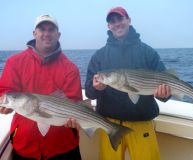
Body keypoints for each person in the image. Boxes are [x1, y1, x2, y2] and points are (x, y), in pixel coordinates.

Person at [85, 7, 171, 160]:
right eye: (112, 21)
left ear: (128, 20)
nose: (117, 24)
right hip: (108, 123)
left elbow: (165, 88)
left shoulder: (148, 52)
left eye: (120, 19)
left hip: (142, 123)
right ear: (108, 26)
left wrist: (164, 95)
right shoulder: (99, 56)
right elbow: (90, 92)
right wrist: (96, 88)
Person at [0, 15, 82, 160]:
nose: (46, 33)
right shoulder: (14, 62)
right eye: (42, 29)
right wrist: (5, 102)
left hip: (64, 146)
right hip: (24, 144)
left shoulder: (71, 68)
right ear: (34, 33)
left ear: (58, 35)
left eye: (51, 30)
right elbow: (5, 91)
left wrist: (75, 118)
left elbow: (74, 101)